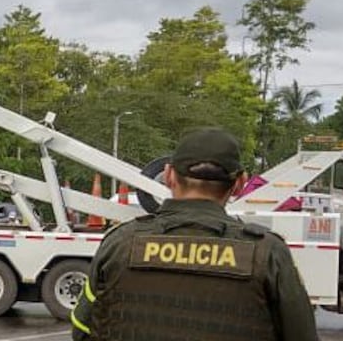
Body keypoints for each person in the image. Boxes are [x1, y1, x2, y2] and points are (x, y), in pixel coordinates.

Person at [70, 128, 319, 341]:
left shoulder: (120, 243)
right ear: (240, 183)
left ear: (168, 175)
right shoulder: (267, 254)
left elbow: (82, 328)